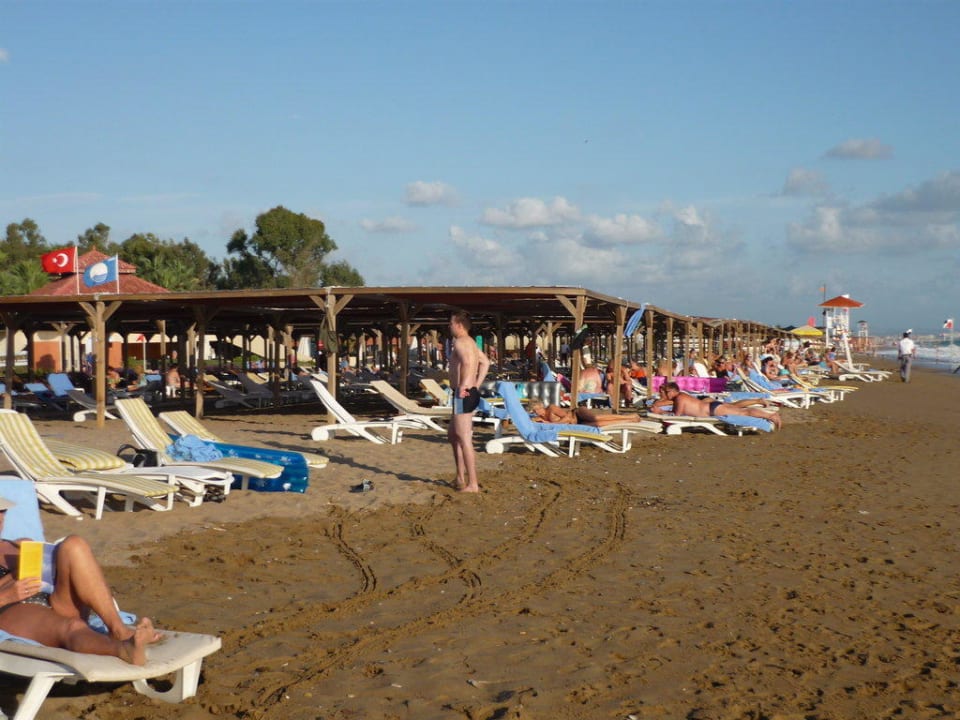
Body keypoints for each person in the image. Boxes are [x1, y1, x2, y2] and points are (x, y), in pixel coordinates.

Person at [0, 496, 161, 665]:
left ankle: (118, 630)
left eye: (2, 510)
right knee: (73, 627)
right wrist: (7, 595)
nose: (0, 517)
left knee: (74, 544)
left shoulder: (18, 545)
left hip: (51, 598)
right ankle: (123, 650)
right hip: (13, 609)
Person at [447, 311, 490, 493]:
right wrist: (475, 385)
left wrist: (464, 386)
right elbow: (486, 362)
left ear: (458, 324)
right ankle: (460, 477)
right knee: (453, 435)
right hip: (467, 392)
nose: (449, 327)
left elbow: (466, 363)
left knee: (464, 438)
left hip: (462, 394)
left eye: (451, 323)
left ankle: (472, 484)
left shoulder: (460, 342)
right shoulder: (471, 342)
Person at [650, 381, 781, 429]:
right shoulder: (681, 396)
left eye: (667, 392)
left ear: (673, 391)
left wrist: (660, 412)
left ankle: (771, 416)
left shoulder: (679, 398)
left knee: (743, 412)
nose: (665, 394)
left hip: (712, 410)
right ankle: (768, 415)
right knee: (741, 410)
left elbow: (676, 415)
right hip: (712, 407)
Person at [529, 400, 641, 428]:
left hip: (576, 414)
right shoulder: (539, 418)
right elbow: (530, 422)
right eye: (534, 411)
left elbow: (567, 418)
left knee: (596, 418)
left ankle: (629, 416)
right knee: (600, 424)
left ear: (542, 406)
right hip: (577, 425)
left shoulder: (551, 408)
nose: (537, 412)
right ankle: (630, 421)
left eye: (538, 409)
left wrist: (549, 423)